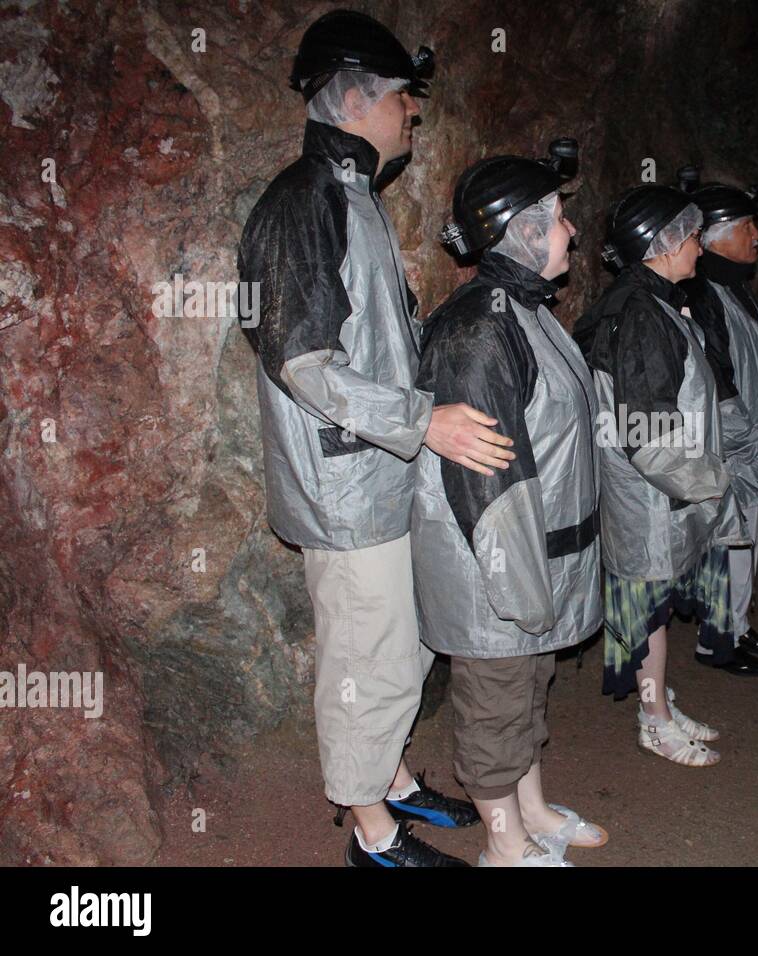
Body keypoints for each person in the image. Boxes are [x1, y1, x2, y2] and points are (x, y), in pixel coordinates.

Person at [237, 10, 513, 868]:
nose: (412, 115)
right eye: (403, 99)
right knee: (367, 654)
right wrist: (421, 421)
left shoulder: (349, 197)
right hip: (345, 486)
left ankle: (389, 778)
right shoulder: (305, 200)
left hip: (375, 473)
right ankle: (371, 833)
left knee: (403, 642)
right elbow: (304, 362)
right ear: (357, 97)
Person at [414, 141, 606, 866]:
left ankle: (529, 810)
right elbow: (485, 484)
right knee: (496, 703)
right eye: (558, 217)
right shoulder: (481, 328)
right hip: (492, 567)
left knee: (528, 689)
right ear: (520, 230)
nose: (572, 231)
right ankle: (505, 845)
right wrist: (522, 587)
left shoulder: (519, 310)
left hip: (531, 555)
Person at [574, 185, 749, 766]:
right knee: (647, 609)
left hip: (658, 495)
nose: (699, 248)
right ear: (663, 243)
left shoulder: (648, 301)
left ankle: (658, 699)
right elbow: (648, 437)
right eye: (693, 236)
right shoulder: (643, 315)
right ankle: (654, 718)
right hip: (650, 497)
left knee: (655, 609)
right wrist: (714, 484)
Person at [679, 173, 758, 675]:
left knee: (744, 539)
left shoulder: (732, 285)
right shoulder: (705, 294)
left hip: (752, 435)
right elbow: (715, 378)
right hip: (733, 444)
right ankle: (717, 639)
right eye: (747, 225)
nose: (757, 236)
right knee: (728, 540)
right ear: (714, 235)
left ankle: (737, 624)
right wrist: (746, 440)